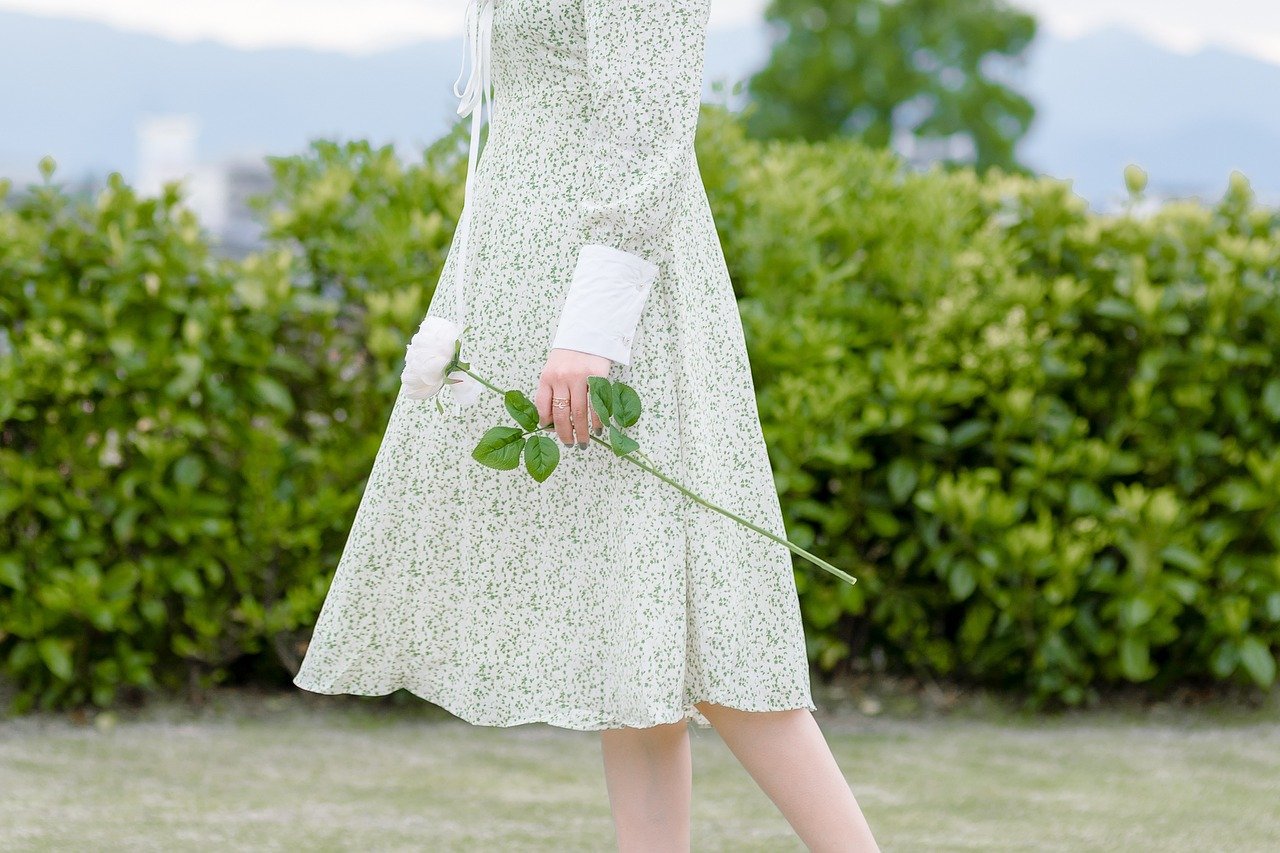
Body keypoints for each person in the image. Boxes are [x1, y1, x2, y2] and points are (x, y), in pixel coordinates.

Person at [293, 0, 879, 849]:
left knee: (709, 614)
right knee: (631, 630)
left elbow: (648, 124)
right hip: (529, 268)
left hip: (610, 301)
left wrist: (592, 329)